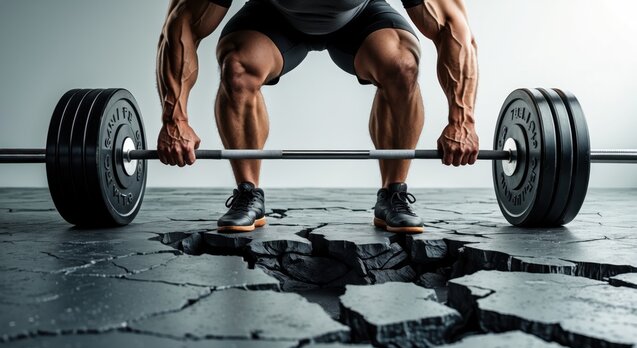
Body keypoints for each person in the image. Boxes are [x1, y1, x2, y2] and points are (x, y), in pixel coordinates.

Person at [156, 0, 479, 234]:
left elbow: (453, 30)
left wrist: (462, 120)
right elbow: (181, 25)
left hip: (360, 19)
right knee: (238, 68)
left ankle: (393, 193)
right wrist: (175, 119)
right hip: (273, 18)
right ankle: (247, 193)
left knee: (401, 66)